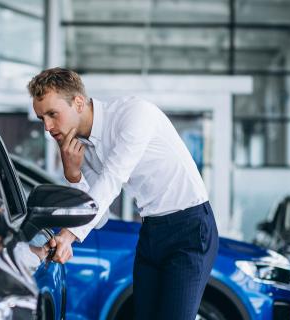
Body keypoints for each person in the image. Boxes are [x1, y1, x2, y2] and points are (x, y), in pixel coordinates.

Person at [27, 67, 219, 320]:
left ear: (78, 102)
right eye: (42, 118)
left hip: (190, 228)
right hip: (151, 231)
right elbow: (101, 215)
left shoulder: (134, 114)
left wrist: (68, 236)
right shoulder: (79, 147)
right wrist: (73, 175)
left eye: (53, 114)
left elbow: (112, 180)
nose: (48, 127)